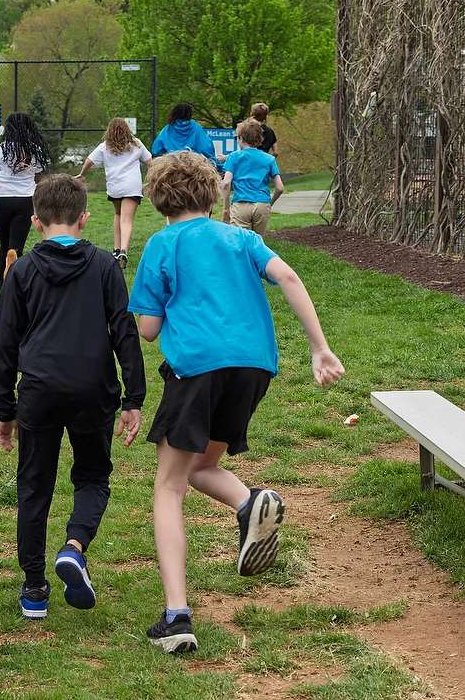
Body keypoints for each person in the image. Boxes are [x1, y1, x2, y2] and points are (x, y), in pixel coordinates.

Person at [131, 152, 344, 654]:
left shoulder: (163, 244)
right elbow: (289, 278)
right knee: (204, 464)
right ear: (215, 194)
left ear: (157, 199)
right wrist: (320, 347)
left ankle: (176, 615)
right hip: (253, 368)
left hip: (198, 368)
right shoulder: (242, 237)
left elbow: (147, 329)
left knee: (169, 485)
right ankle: (249, 504)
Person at [0, 174, 145, 620]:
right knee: (93, 477)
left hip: (38, 390)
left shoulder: (19, 271)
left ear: (36, 222)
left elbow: (2, 345)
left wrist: (6, 408)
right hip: (94, 390)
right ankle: (74, 547)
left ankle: (34, 588)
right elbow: (125, 331)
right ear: (84, 218)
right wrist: (133, 396)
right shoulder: (104, 265)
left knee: (34, 487)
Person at [76, 117, 151, 269]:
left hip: (115, 187)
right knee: (127, 220)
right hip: (132, 187)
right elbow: (150, 162)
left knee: (118, 215)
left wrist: (82, 175)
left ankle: (116, 251)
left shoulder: (105, 146)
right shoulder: (136, 144)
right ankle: (124, 251)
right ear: (127, 130)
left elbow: (89, 161)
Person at [0, 112, 48, 288]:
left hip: (2, 200)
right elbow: (37, 179)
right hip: (25, 200)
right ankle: (15, 280)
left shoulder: (0, 149)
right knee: (16, 245)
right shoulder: (35, 149)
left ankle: (1, 283)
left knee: (3, 244)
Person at [221, 119, 284, 236]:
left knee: (239, 242)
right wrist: (270, 203)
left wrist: (226, 208)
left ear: (241, 138)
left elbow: (226, 183)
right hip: (262, 204)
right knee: (257, 242)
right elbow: (280, 188)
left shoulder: (234, 157)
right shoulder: (269, 159)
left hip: (241, 204)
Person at [151, 103, 220, 169]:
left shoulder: (167, 129)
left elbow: (156, 150)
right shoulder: (196, 127)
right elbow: (205, 147)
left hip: (172, 166)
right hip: (192, 165)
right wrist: (218, 165)